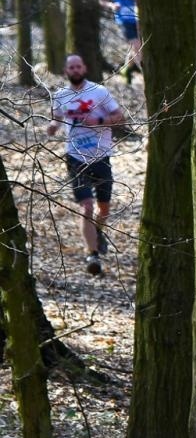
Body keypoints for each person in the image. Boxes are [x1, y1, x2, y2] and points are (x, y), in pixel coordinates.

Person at [46, 54, 125, 276]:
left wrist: (98, 121)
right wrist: (52, 127)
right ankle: (92, 255)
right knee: (87, 207)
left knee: (104, 208)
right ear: (66, 71)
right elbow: (57, 118)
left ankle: (97, 232)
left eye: (78, 66)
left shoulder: (99, 92)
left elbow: (120, 117)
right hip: (75, 157)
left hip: (101, 156)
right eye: (71, 67)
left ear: (85, 68)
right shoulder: (60, 96)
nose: (75, 70)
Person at [98, 0, 140, 81]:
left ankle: (125, 70)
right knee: (137, 45)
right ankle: (144, 71)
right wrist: (111, 5)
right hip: (124, 19)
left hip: (138, 19)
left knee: (136, 47)